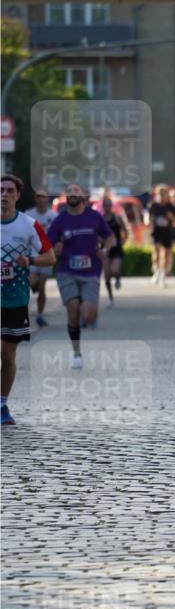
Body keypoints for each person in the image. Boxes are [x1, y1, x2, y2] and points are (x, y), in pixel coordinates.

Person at [1, 174, 55, 426]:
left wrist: (30, 261)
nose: (4, 195)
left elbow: (50, 256)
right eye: (0, 190)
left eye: (9, 191)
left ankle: (2, 405)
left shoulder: (28, 225)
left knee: (8, 355)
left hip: (15, 299)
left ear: (17, 196)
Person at [47, 184, 113, 368]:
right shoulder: (60, 220)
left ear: (83, 196)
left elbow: (109, 236)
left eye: (76, 191)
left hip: (91, 272)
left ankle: (91, 315)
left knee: (89, 315)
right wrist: (55, 248)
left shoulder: (94, 217)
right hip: (66, 271)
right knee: (73, 310)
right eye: (69, 191)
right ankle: (76, 353)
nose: (72, 194)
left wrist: (106, 250)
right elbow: (49, 243)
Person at [25, 187, 57, 327]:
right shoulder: (28, 214)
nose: (40, 199)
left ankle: (39, 315)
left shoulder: (54, 216)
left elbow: (57, 235)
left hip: (46, 254)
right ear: (35, 199)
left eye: (43, 196)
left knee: (42, 286)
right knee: (32, 283)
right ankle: (34, 286)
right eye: (38, 196)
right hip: (31, 254)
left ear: (47, 199)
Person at [100, 197, 128, 305]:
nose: (107, 207)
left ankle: (117, 278)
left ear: (111, 206)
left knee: (114, 270)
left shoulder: (117, 218)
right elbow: (96, 233)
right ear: (102, 206)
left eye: (108, 205)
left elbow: (125, 231)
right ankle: (110, 298)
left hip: (116, 249)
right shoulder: (100, 219)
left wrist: (123, 241)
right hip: (106, 249)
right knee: (106, 275)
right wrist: (99, 240)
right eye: (105, 205)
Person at [147, 186, 174, 287]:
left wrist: (171, 217)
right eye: (161, 194)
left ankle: (162, 275)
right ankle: (156, 271)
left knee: (165, 255)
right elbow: (149, 218)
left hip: (167, 232)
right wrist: (150, 224)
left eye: (165, 193)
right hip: (156, 232)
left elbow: (174, 220)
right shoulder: (153, 205)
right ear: (157, 194)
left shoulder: (169, 206)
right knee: (156, 254)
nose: (163, 196)